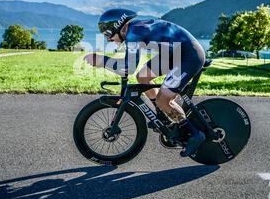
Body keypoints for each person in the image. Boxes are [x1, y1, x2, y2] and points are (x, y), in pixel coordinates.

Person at [84, 9, 206, 157]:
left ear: (120, 27)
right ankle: (162, 115)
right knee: (142, 77)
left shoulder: (134, 33)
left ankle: (194, 134)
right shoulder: (134, 30)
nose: (108, 39)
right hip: (174, 53)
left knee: (163, 99)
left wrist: (102, 60)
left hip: (189, 55)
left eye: (108, 34)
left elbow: (128, 68)